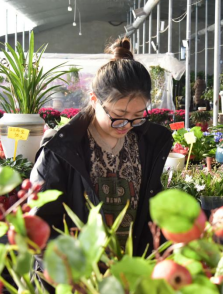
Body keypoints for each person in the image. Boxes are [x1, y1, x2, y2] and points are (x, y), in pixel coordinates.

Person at [31, 37, 173, 256]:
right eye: (118, 115)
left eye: (137, 116)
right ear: (94, 99)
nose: (127, 125)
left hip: (132, 273)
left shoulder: (147, 142)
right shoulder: (61, 148)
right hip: (79, 277)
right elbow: (40, 224)